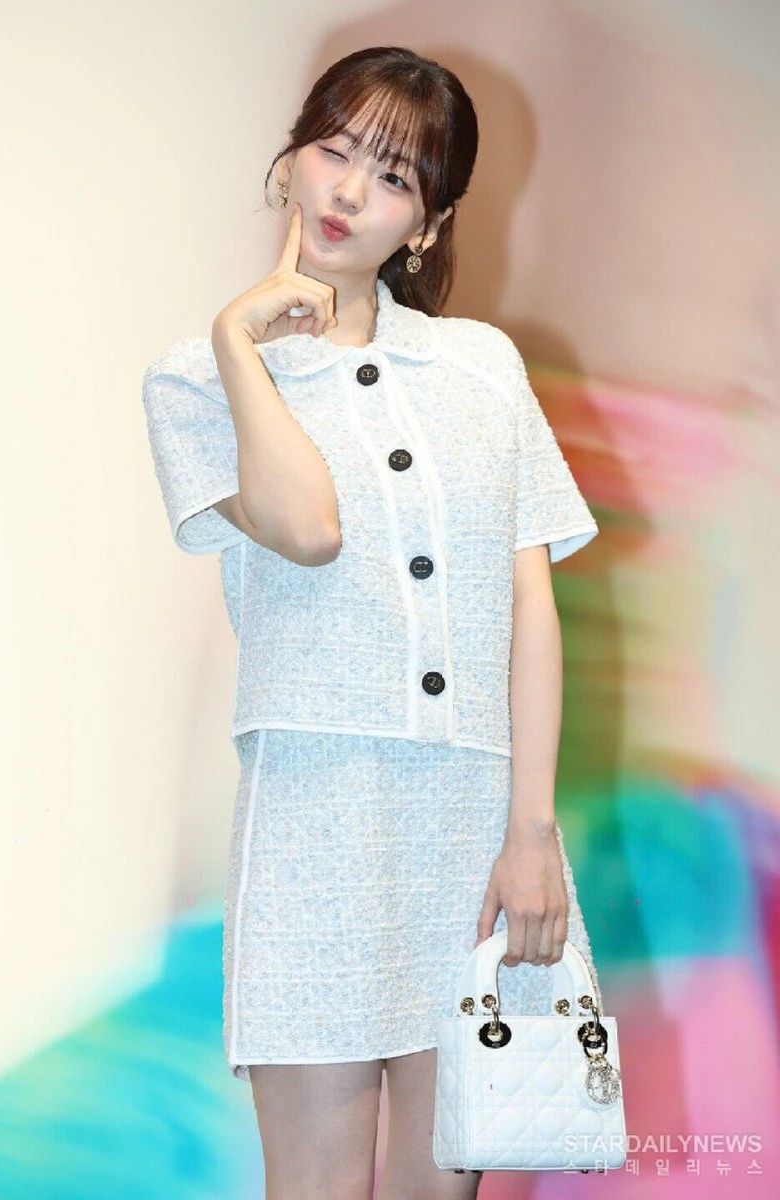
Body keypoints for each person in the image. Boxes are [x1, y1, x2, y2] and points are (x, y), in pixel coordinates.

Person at [142, 44, 601, 1200]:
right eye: (332, 151)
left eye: (392, 176)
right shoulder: (196, 378)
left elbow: (528, 605)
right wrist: (243, 344)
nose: (347, 191)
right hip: (313, 821)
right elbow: (303, 527)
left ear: (429, 222)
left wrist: (530, 833)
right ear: (289, 160)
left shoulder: (481, 368)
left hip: (471, 829)